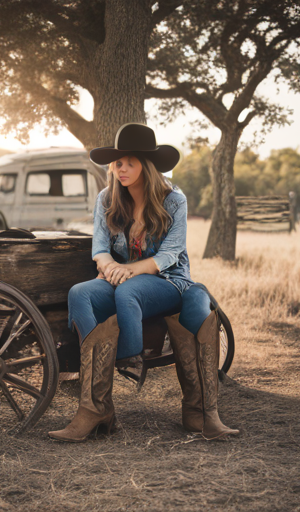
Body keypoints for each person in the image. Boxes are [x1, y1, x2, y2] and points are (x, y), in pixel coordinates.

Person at [48, 123, 239, 442]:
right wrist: (107, 263)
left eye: (129, 162)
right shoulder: (107, 198)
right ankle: (95, 409)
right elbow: (99, 246)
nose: (121, 169)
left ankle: (136, 362)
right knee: (80, 293)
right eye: (117, 163)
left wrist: (131, 270)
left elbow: (171, 253)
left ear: (146, 166)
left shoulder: (174, 199)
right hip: (120, 278)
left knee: (130, 289)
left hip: (167, 281)